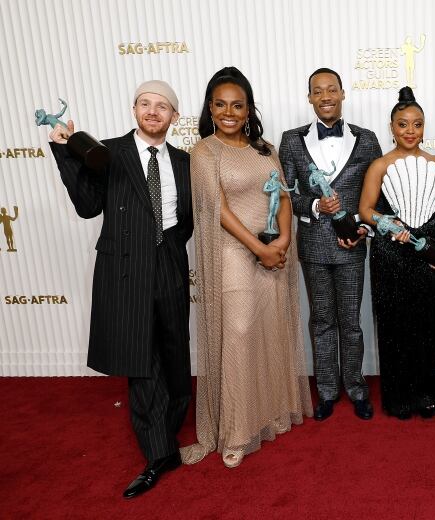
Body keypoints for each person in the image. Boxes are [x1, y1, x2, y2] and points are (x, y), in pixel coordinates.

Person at [48, 81, 192, 497]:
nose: (152, 111)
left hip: (168, 262)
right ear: (133, 109)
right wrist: (64, 150)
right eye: (145, 103)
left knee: (175, 354)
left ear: (174, 117)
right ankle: (158, 453)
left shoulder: (184, 161)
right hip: (126, 269)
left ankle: (169, 431)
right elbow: (88, 205)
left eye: (162, 106)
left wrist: (168, 247)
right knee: (142, 361)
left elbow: (187, 218)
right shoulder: (106, 152)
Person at [181, 67, 312, 468]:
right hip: (233, 252)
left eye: (237, 105)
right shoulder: (204, 151)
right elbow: (216, 207)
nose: (229, 112)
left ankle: (269, 413)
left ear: (249, 108)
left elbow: (285, 196)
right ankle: (236, 431)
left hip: (274, 251)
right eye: (220, 105)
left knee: (268, 330)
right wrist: (258, 247)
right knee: (238, 334)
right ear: (209, 108)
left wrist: (284, 242)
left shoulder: (264, 147)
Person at [279, 68, 382, 421]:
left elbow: (378, 194)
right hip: (313, 245)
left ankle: (355, 387)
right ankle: (326, 391)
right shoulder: (291, 140)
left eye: (331, 89)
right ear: (309, 97)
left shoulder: (367, 140)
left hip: (352, 244)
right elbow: (285, 196)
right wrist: (314, 206)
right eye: (317, 91)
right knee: (322, 319)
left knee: (350, 322)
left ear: (342, 94)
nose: (325, 96)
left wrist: (367, 227)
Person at [358, 87, 435, 419]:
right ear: (392, 127)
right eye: (403, 124)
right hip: (390, 251)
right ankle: (398, 397)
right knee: (394, 324)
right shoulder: (380, 165)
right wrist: (388, 222)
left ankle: (426, 393)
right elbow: (366, 210)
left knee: (427, 322)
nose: (410, 131)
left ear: (424, 127)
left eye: (416, 124)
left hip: (428, 249)